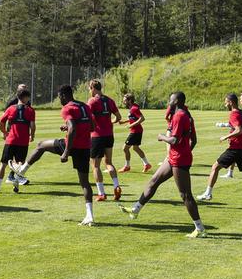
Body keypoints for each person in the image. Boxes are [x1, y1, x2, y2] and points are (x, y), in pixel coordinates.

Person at [120, 91, 206, 238]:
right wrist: (183, 152)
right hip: (174, 157)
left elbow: (175, 140)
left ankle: (199, 228)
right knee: (154, 181)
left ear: (177, 101)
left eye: (170, 99)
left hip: (179, 160)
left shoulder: (180, 116)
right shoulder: (186, 114)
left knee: (185, 195)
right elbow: (194, 140)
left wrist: (162, 137)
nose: (168, 101)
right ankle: (135, 210)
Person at [9, 84, 96, 226]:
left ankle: (21, 170)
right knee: (84, 183)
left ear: (63, 96)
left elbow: (73, 128)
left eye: (59, 97)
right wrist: (68, 127)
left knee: (41, 145)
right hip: (85, 147)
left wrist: (66, 152)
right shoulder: (84, 106)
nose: (59, 99)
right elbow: (91, 127)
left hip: (71, 145)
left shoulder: (67, 108)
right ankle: (90, 216)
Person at [0, 87, 35, 194]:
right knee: (20, 164)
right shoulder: (30, 110)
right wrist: (32, 136)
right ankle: (16, 183)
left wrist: (5, 133)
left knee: (3, 164)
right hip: (23, 142)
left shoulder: (10, 109)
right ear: (26, 98)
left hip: (10, 141)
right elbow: (33, 126)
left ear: (17, 97)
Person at [87, 79, 122, 201]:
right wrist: (110, 122)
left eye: (89, 88)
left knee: (95, 166)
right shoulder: (109, 100)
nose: (89, 91)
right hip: (109, 135)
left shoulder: (92, 101)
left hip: (97, 136)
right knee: (108, 163)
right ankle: (116, 186)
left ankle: (101, 193)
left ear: (93, 88)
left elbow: (87, 119)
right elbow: (119, 117)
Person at [119, 93, 152, 173]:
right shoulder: (132, 107)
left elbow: (142, 118)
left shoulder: (134, 108)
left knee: (125, 148)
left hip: (135, 131)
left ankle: (127, 166)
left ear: (129, 100)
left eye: (125, 100)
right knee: (135, 148)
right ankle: (146, 164)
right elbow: (133, 118)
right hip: (137, 131)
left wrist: (131, 125)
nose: (123, 101)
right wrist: (125, 122)